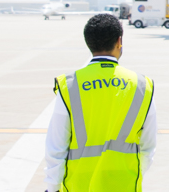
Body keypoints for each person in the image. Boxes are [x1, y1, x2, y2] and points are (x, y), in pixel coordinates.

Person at [44, 14, 156, 192]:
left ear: (89, 43)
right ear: (119, 41)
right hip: (124, 184)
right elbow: (148, 145)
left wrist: (52, 187)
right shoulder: (142, 85)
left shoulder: (70, 85)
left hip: (78, 185)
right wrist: (131, 172)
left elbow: (56, 145)